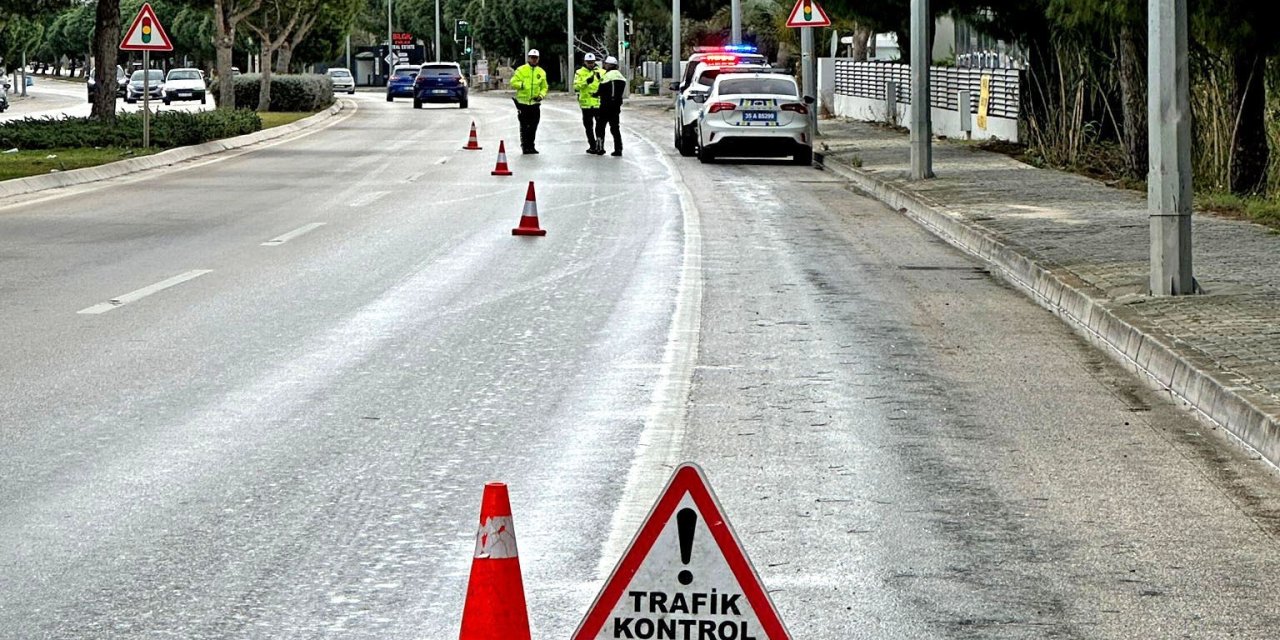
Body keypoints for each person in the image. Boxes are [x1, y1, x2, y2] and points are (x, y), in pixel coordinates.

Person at [510, 49, 549, 154]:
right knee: (524, 126)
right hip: (523, 103)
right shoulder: (521, 70)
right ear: (528, 58)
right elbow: (513, 82)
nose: (533, 59)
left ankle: (531, 146)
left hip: (535, 104)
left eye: (535, 58)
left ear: (538, 59)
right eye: (532, 57)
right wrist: (521, 85)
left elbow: (544, 87)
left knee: (533, 126)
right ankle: (525, 146)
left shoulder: (541, 72)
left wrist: (541, 96)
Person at [594, 56, 627, 157]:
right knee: (615, 128)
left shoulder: (607, 76)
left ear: (609, 65)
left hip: (605, 105)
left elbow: (601, 90)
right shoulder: (621, 77)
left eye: (605, 64)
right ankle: (618, 149)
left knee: (600, 126)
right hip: (616, 106)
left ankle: (600, 148)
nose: (604, 65)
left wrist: (594, 94)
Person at [572, 53, 604, 155]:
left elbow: (606, 85)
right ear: (585, 62)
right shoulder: (579, 72)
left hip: (598, 103)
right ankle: (592, 146)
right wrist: (586, 82)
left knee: (600, 126)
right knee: (588, 126)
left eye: (592, 62)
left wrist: (600, 79)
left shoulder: (601, 72)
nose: (590, 64)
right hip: (585, 104)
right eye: (588, 62)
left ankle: (600, 146)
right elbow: (576, 86)